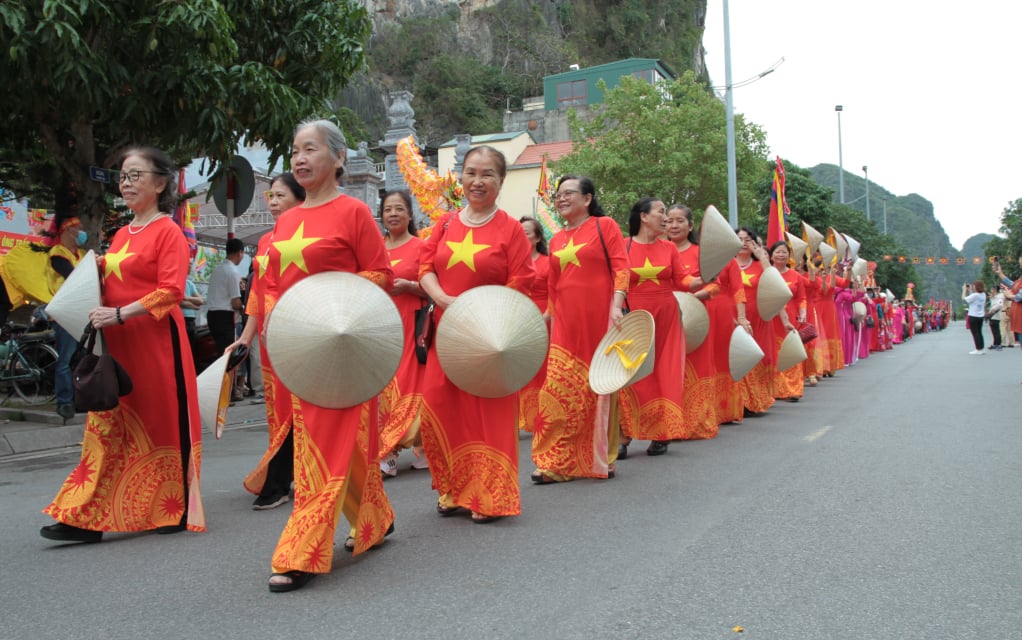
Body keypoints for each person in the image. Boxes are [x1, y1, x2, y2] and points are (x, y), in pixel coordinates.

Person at [41, 145, 204, 542]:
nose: (126, 183)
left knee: (158, 424)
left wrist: (118, 314)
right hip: (116, 348)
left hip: (155, 348)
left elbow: (167, 291)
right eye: (124, 176)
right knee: (107, 428)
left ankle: (172, 508)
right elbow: (121, 283)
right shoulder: (121, 234)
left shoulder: (169, 232)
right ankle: (85, 515)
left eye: (136, 175)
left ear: (161, 183)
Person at [260, 119, 395, 592]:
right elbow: (273, 284)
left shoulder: (353, 213)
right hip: (300, 351)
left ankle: (301, 551)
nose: (299, 158)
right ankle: (374, 517)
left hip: (344, 347)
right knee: (334, 441)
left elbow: (380, 274)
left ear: (338, 158)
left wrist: (337, 303)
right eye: (295, 150)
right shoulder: (286, 221)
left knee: (325, 446)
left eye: (310, 149)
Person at [419, 145, 534, 521]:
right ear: (461, 178)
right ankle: (453, 488)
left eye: (487, 174)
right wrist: (442, 299)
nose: (477, 181)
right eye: (471, 172)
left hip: (489, 339)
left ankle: (490, 495)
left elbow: (522, 280)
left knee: (487, 414)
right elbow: (425, 267)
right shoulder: (446, 223)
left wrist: (483, 311)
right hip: (445, 334)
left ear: (501, 181)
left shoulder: (511, 230)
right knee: (441, 406)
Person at [531, 176, 628, 482]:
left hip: (599, 318)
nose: (561, 199)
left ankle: (603, 455)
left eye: (568, 193)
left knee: (601, 386)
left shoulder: (605, 226)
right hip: (565, 325)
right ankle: (555, 460)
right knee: (556, 391)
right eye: (558, 195)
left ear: (587, 199)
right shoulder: (557, 239)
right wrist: (548, 316)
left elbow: (622, 268)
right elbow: (553, 285)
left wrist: (615, 307)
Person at [228, 172, 305, 510]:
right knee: (279, 410)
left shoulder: (311, 234)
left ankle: (288, 478)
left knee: (303, 407)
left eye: (280, 196)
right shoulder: (264, 242)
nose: (272, 202)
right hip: (269, 337)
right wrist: (244, 338)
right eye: (270, 196)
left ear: (300, 199)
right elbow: (258, 293)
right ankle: (285, 476)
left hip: (304, 333)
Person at [617, 197, 686, 457]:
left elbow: (682, 280)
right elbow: (614, 282)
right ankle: (624, 436)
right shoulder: (622, 246)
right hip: (633, 318)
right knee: (631, 376)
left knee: (663, 374)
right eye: (661, 211)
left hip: (667, 318)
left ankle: (661, 433)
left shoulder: (669, 248)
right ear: (644, 216)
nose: (666, 217)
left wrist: (703, 280)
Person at [378, 190, 429, 477]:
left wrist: (410, 286)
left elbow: (432, 286)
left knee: (409, 387)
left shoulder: (422, 247)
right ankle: (420, 445)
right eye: (388, 210)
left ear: (410, 214)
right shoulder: (375, 247)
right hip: (382, 327)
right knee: (384, 391)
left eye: (399, 209)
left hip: (412, 324)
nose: (393, 214)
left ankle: (388, 451)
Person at [42, 214, 86, 420]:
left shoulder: (81, 254)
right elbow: (74, 277)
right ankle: (65, 402)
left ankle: (80, 400)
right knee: (65, 360)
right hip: (65, 311)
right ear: (68, 231)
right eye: (79, 229)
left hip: (81, 311)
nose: (81, 233)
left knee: (81, 358)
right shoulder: (58, 253)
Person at [733, 229, 775, 415]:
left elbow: (774, 282)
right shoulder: (727, 264)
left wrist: (761, 256)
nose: (743, 242)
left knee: (757, 356)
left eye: (747, 239)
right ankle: (738, 401)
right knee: (737, 356)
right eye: (739, 239)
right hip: (733, 317)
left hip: (757, 318)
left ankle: (755, 399)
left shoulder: (760, 266)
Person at [517, 215, 550, 433]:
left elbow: (555, 295)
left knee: (541, 370)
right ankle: (519, 418)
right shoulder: (512, 263)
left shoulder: (548, 262)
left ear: (537, 238)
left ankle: (543, 415)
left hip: (542, 319)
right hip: (518, 323)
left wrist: (545, 318)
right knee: (517, 370)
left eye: (526, 233)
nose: (521, 236)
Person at [206, 238, 244, 399]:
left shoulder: (218, 269)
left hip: (212, 315)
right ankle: (226, 393)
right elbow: (235, 302)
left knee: (221, 354)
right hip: (224, 315)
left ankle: (226, 391)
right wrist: (244, 310)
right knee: (228, 355)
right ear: (240, 253)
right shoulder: (233, 272)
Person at [767, 241, 803, 401]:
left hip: (790, 319)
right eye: (778, 252)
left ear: (789, 256)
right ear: (771, 255)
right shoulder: (767, 273)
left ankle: (793, 389)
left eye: (784, 252)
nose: (781, 255)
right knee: (773, 354)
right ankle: (777, 389)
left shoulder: (795, 276)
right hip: (770, 319)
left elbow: (802, 298)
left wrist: (803, 312)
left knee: (790, 353)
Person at [180, 276, 204, 360]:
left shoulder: (189, 283)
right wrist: (194, 306)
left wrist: (187, 298)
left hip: (191, 319)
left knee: (191, 348)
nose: (189, 266)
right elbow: (179, 301)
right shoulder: (177, 282)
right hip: (181, 318)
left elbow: (200, 301)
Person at [962, 280, 987, 354]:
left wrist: (964, 290)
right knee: (979, 332)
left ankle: (978, 349)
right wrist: (970, 291)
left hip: (973, 316)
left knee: (975, 333)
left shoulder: (975, 295)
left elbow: (964, 299)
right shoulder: (983, 294)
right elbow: (972, 299)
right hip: (980, 316)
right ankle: (981, 348)